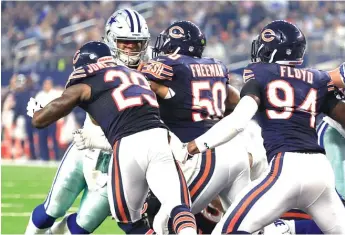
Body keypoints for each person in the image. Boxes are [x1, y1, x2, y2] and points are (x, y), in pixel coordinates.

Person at [175, 20, 345, 234]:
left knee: (227, 230)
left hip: (287, 168)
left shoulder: (261, 73)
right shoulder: (317, 78)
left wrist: (194, 146)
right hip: (321, 172)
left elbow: (238, 121)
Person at [26, 41, 197, 235]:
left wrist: (37, 112)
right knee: (179, 206)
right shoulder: (138, 76)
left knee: (129, 223)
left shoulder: (86, 83)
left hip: (126, 148)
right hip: (158, 138)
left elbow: (40, 121)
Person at [25, 9, 154, 235]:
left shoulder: (154, 71)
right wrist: (46, 111)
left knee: (81, 226)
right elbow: (72, 97)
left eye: (137, 43)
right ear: (112, 40)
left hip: (119, 161)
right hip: (85, 149)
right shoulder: (96, 60)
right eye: (125, 42)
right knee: (51, 208)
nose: (131, 49)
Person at [139, 20, 250, 231]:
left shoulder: (169, 65)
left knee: (167, 217)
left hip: (203, 152)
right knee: (247, 222)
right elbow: (234, 101)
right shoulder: (215, 65)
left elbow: (143, 86)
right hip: (233, 148)